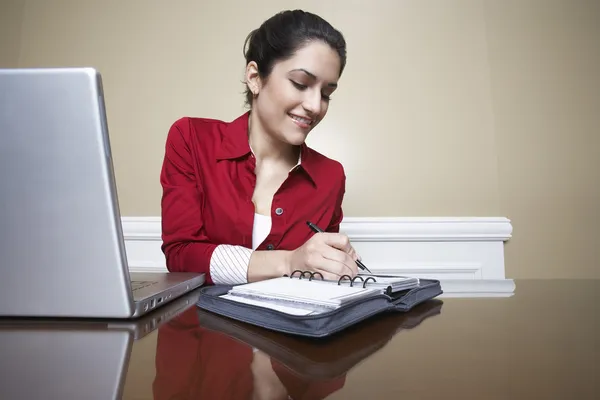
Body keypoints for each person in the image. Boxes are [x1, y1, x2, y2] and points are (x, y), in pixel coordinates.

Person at [160, 9, 360, 286]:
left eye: (326, 94)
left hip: (290, 328)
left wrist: (334, 264)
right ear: (255, 77)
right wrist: (290, 261)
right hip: (202, 328)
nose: (316, 106)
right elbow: (181, 256)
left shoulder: (331, 176)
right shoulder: (191, 139)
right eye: (301, 84)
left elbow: (318, 283)